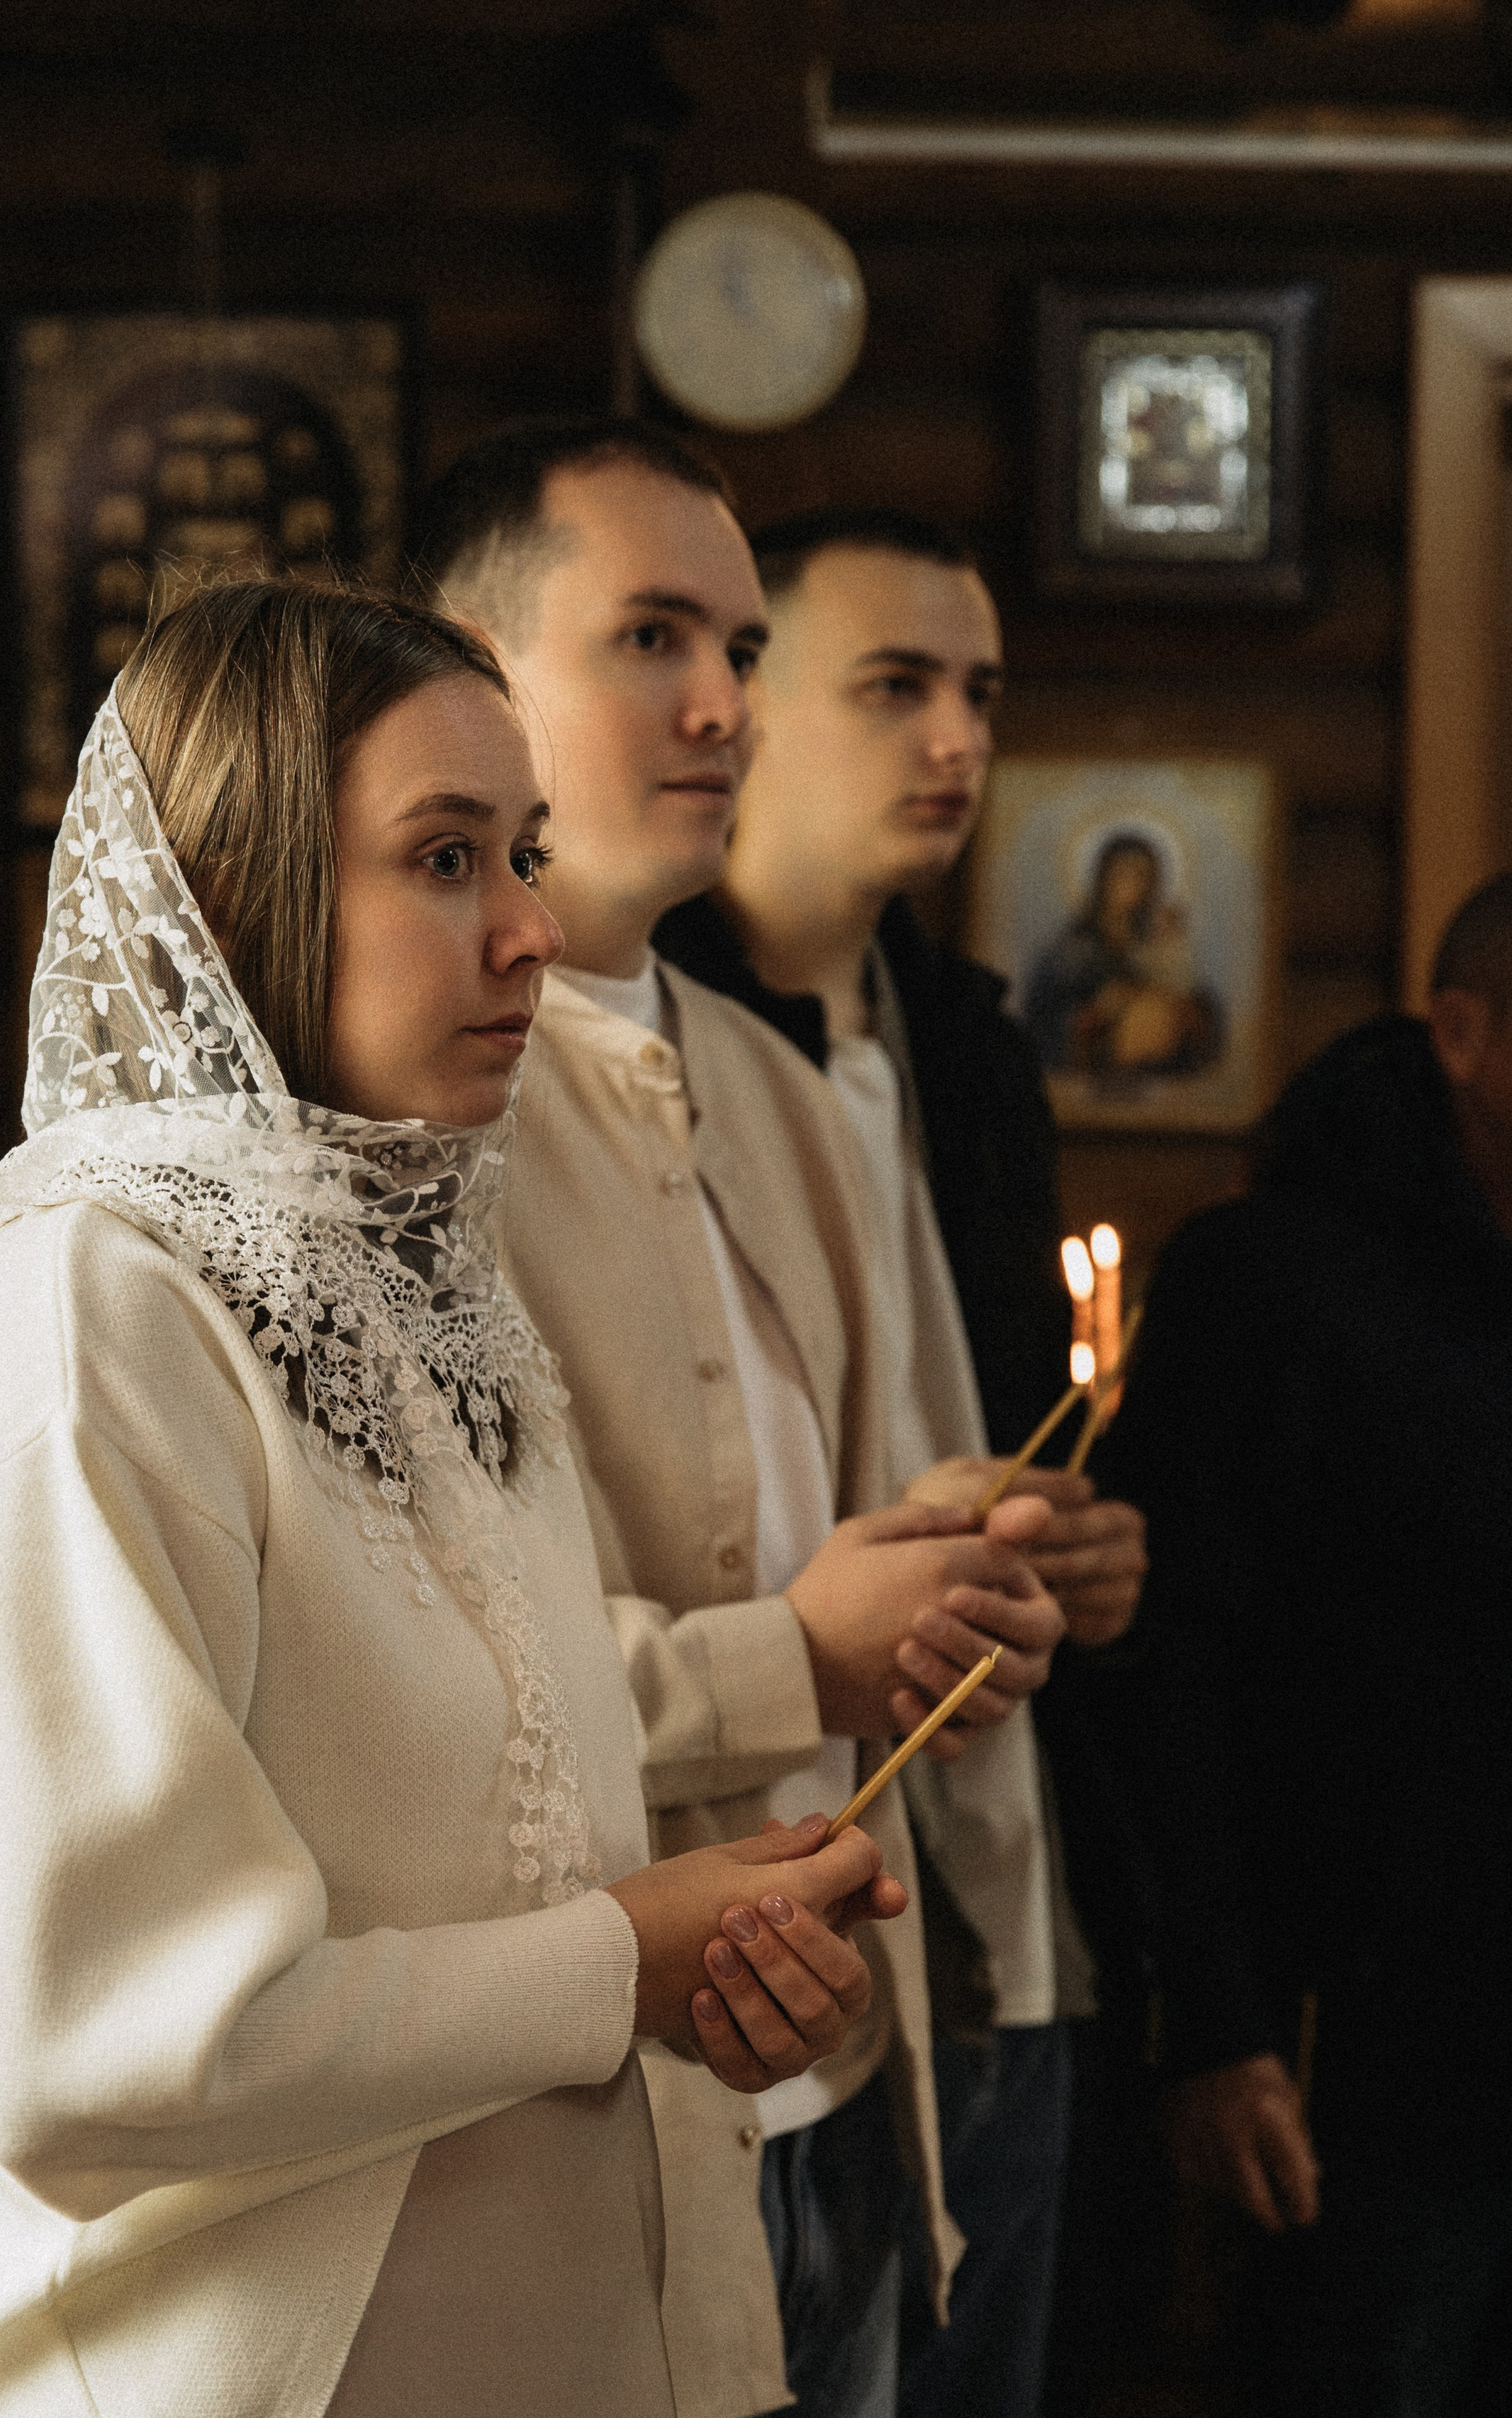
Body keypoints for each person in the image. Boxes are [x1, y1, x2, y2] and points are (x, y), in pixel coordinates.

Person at [0, 581, 912, 2418]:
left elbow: (515, 1868)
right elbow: (78, 2031)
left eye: (527, 852)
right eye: (443, 858)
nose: (534, 930)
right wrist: (613, 1962)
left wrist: (703, 1949)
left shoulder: (434, 1303)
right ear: (241, 889)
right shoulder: (86, 1315)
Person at [415, 425, 1069, 2418]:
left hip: (849, 2069)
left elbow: (869, 1545)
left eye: (747, 643)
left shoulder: (788, 1088)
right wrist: (801, 1648)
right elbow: (424, 1679)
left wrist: (973, 1590)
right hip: (575, 2097)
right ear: (471, 666)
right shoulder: (397, 1120)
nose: (727, 704)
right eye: (652, 638)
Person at [655, 506, 1150, 2418]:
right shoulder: (643, 1033)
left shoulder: (966, 1042)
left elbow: (1012, 1415)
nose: (959, 740)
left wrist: (1088, 1549)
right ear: (747, 706)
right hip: (757, 1876)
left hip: (1001, 1865)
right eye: (898, 687)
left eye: (983, 694)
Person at [1100, 869, 1512, 2418]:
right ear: (1461, 1034)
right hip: (1355, 2050)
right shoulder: (1271, 1275)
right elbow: (1169, 1664)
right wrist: (1214, 2025)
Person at [1024, 828, 1223, 1083]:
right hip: (1092, 1069)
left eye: (1141, 876)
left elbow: (1195, 1000)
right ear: (1103, 878)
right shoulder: (1074, 946)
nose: (1131, 885)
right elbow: (1044, 1012)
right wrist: (1092, 1015)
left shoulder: (1155, 942)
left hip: (1156, 1075)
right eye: (1122, 874)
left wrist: (1187, 1010)